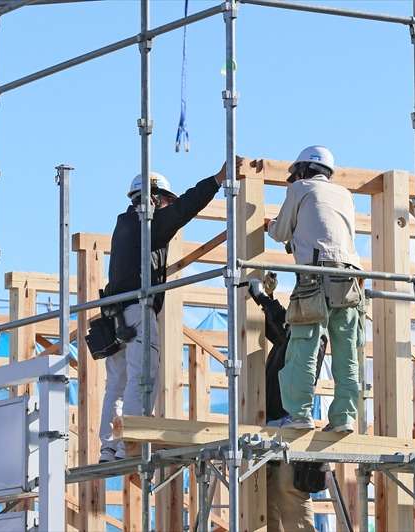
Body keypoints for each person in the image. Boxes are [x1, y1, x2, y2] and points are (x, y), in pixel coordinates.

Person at [99, 167, 224, 462]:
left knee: (117, 383)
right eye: (166, 201)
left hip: (115, 315)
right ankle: (129, 442)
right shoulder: (146, 224)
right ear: (154, 199)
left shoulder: (125, 226)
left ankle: (109, 446)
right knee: (142, 378)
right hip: (135, 312)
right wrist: (216, 180)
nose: (169, 206)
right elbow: (184, 209)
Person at [266, 146, 364, 433]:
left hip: (314, 277)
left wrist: (270, 226)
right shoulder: (344, 195)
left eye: (295, 174)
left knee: (304, 345)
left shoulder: (299, 189)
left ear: (304, 171)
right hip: (348, 278)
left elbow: (281, 231)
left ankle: (300, 414)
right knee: (346, 350)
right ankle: (344, 418)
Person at [249, 275, 324, 531]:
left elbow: (284, 334)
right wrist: (266, 299)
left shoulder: (312, 336)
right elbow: (279, 329)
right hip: (272, 424)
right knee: (266, 498)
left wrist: (261, 298)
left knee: (289, 492)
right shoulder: (292, 335)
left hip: (291, 426)